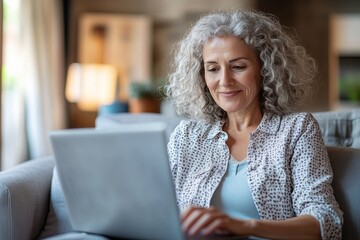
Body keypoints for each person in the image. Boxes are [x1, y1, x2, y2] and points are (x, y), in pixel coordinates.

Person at [164, 10, 343, 240]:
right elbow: (158, 209)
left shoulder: (297, 130)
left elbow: (326, 221)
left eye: (238, 67)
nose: (225, 81)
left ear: (265, 69)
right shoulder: (187, 136)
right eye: (213, 69)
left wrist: (245, 226)